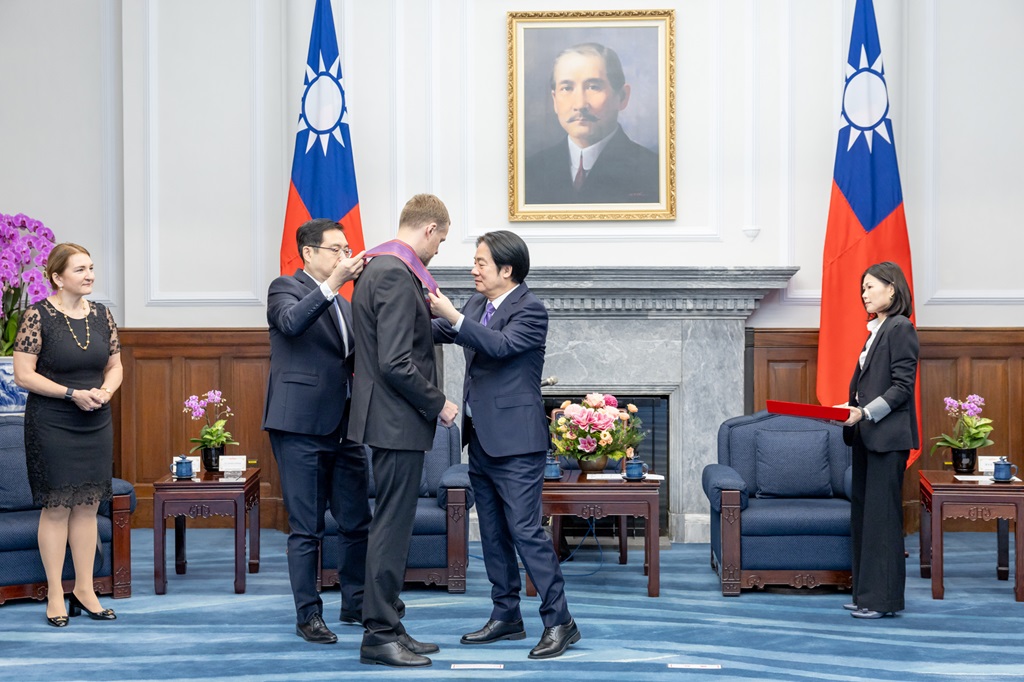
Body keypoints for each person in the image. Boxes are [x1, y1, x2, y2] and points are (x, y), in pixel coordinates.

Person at [429, 230, 580, 659]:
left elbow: (500, 346)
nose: (473, 270)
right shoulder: (478, 305)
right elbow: (441, 329)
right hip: (481, 441)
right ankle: (506, 615)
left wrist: (455, 318)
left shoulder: (530, 309)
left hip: (517, 444)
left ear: (506, 270)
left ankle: (561, 622)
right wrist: (401, 308)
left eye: (481, 263)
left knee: (526, 532)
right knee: (492, 532)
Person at [347, 193, 460, 668]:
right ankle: (378, 634)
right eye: (441, 241)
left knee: (393, 524)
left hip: (390, 419)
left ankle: (391, 623)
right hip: (396, 420)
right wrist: (440, 403)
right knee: (391, 528)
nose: (437, 251)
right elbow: (396, 363)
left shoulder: (381, 268)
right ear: (430, 229)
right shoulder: (395, 272)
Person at [262, 219, 371, 644]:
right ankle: (308, 614)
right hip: (300, 427)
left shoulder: (345, 305)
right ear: (308, 253)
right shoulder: (284, 288)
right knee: (307, 527)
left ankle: (356, 602)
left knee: (356, 522)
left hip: (345, 425)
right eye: (336, 249)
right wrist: (334, 284)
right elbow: (291, 324)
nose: (345, 256)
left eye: (347, 249)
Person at [12, 243, 122, 627]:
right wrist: (72, 393)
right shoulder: (37, 315)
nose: (90, 275)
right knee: (57, 506)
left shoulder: (102, 315)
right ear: (57, 277)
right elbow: (23, 375)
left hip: (96, 419)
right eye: (80, 269)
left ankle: (86, 589)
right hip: (52, 421)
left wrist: (105, 391)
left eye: (91, 267)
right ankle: (56, 592)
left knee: (89, 505)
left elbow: (115, 366)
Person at [836, 261, 919, 619]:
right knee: (865, 517)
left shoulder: (900, 327)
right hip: (866, 437)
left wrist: (865, 412)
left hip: (887, 439)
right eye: (862, 288)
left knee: (882, 521)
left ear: (892, 288)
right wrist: (852, 408)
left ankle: (882, 602)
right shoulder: (878, 329)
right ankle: (865, 594)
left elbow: (902, 387)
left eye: (870, 287)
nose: (864, 294)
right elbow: (869, 385)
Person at [524, 42, 659, 205]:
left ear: (622, 97)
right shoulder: (529, 171)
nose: (580, 104)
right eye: (567, 88)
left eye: (593, 87)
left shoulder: (654, 171)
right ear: (554, 100)